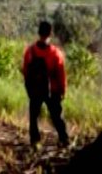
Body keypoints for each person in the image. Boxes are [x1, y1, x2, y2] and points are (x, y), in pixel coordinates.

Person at [22, 21, 69, 149]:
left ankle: (35, 141)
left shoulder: (30, 51)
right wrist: (62, 90)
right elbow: (61, 74)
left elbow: (25, 71)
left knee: (33, 116)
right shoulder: (55, 53)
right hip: (52, 90)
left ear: (39, 32)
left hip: (35, 89)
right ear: (50, 34)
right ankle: (64, 140)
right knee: (56, 116)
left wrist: (29, 87)